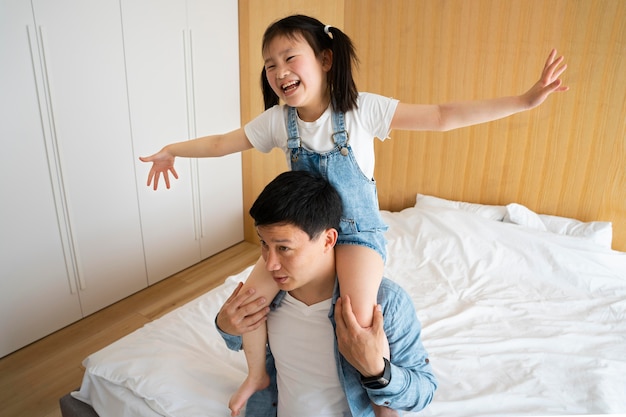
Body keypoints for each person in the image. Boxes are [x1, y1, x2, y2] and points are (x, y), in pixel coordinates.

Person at [139, 14, 568, 415]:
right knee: (252, 299)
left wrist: (526, 100)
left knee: (357, 319)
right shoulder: (277, 121)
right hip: (307, 234)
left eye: (290, 58)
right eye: (270, 64)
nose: (279, 71)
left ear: (325, 60)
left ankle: (382, 403)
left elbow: (441, 116)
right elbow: (220, 144)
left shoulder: (361, 111)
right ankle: (257, 374)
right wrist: (172, 150)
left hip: (357, 234)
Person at [216, 170, 437, 416]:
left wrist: (378, 371)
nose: (270, 264)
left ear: (328, 240)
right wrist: (225, 324)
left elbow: (423, 391)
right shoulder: (270, 296)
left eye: (284, 248)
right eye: (264, 244)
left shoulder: (385, 302)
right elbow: (237, 341)